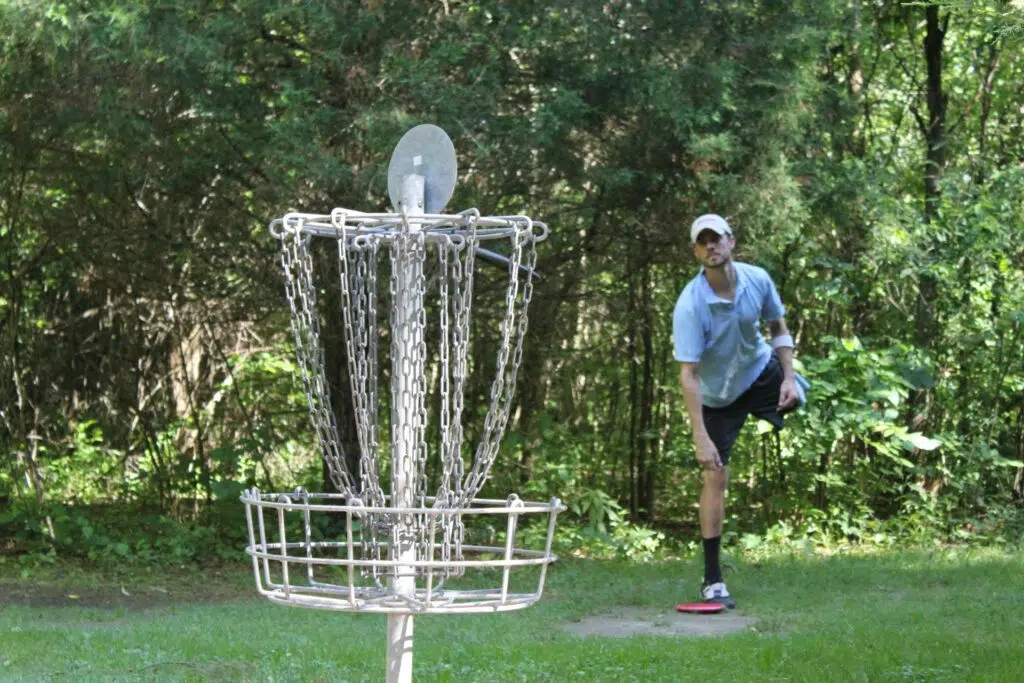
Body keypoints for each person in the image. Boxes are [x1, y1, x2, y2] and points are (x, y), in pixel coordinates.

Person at [672, 213, 806, 609]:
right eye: (703, 242)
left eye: (717, 239)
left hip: (759, 371)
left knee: (801, 395)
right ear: (697, 252)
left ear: (731, 241)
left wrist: (788, 378)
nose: (711, 246)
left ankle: (789, 394)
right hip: (718, 397)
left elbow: (778, 326)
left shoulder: (757, 279)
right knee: (714, 473)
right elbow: (689, 375)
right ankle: (713, 581)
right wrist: (699, 436)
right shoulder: (690, 306)